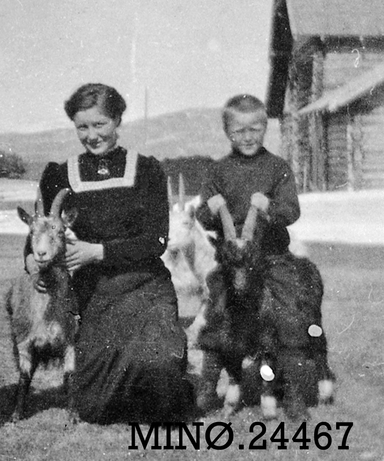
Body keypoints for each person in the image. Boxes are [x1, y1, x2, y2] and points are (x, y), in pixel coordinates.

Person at [28, 83, 193, 424]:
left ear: (118, 120)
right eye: (82, 127)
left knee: (161, 390)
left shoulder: (146, 169)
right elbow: (38, 233)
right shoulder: (59, 174)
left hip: (146, 289)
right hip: (95, 295)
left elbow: (156, 240)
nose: (92, 135)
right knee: (94, 408)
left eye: (100, 124)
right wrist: (31, 263)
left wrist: (99, 251)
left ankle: (171, 379)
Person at [192, 94, 330, 413]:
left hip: (271, 258)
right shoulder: (218, 171)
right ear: (227, 131)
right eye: (239, 130)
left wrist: (271, 208)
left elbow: (291, 210)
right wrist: (209, 212)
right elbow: (202, 213)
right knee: (217, 319)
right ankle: (207, 387)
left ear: (265, 127)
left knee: (288, 318)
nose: (248, 136)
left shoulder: (277, 168)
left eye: (255, 128)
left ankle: (293, 392)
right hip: (233, 261)